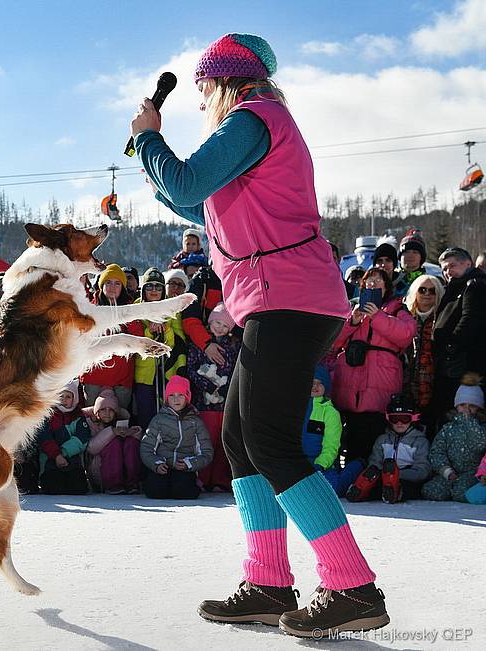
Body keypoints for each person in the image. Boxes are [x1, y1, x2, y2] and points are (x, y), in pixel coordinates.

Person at [134, 33, 388, 632]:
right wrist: (156, 164)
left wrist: (149, 137)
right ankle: (269, 582)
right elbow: (199, 203)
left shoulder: (254, 116)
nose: (200, 101)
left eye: (203, 89)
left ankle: (352, 586)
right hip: (278, 300)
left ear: (225, 82)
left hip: (289, 299)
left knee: (270, 443)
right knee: (242, 442)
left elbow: (188, 183)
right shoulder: (258, 125)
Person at [332, 267, 417, 463]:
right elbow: (334, 342)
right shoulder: (352, 308)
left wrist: (378, 316)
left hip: (380, 380)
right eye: (369, 281)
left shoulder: (397, 308)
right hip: (350, 381)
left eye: (378, 281)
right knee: (349, 435)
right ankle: (351, 480)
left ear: (387, 286)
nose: (373, 283)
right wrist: (352, 322)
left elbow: (406, 334)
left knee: (375, 433)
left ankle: (372, 479)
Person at [432, 247, 486, 431]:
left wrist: (450, 346)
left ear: (468, 263)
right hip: (452, 364)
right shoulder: (456, 287)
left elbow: (470, 320)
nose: (448, 272)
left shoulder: (474, 285)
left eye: (452, 266)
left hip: (462, 366)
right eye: (444, 269)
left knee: (461, 415)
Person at [186, 302, 238, 492]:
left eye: (225, 326)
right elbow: (192, 369)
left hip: (224, 402)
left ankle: (219, 478)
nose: (220, 328)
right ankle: (202, 476)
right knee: (205, 439)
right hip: (204, 401)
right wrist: (206, 386)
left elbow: (234, 370)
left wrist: (228, 389)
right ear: (210, 321)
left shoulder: (232, 346)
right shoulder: (199, 345)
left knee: (221, 440)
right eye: (217, 323)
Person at [345, 393, 429, 503]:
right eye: (395, 419)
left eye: (404, 418)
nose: (399, 423)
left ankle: (395, 493)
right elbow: (375, 462)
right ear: (388, 419)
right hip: (383, 477)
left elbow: (422, 470)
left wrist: (396, 474)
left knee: (411, 488)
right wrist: (379, 473)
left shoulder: (420, 441)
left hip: (407, 478)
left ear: (413, 419)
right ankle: (360, 491)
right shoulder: (383, 439)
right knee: (375, 484)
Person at [140, 376, 213, 499]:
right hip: (163, 466)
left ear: (187, 397)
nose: (176, 399)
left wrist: (190, 464)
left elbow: (206, 452)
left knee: (184, 492)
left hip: (184, 468)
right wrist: (156, 464)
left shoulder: (195, 422)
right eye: (172, 395)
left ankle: (190, 484)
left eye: (180, 395)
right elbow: (146, 447)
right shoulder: (159, 420)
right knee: (155, 490)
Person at [132, 267, 187, 430]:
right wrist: (150, 330)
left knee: (168, 416)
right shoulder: (135, 308)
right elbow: (135, 341)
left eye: (158, 286)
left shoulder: (172, 308)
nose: (154, 290)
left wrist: (166, 330)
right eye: (149, 286)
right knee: (145, 415)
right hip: (144, 372)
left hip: (167, 370)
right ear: (143, 289)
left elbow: (178, 340)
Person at [81, 264, 140, 409]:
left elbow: (138, 336)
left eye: (117, 283)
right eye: (108, 282)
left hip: (121, 379)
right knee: (92, 422)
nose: (113, 287)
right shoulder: (89, 308)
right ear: (101, 286)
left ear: (123, 287)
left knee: (120, 423)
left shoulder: (129, 309)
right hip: (93, 377)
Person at [421, 376, 486, 502]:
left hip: (473, 474)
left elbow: (480, 444)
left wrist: (470, 423)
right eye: (462, 405)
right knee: (430, 490)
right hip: (451, 472)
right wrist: (446, 471)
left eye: (472, 405)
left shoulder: (482, 427)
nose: (466, 409)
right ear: (456, 406)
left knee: (461, 492)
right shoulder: (448, 428)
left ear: (478, 408)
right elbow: (437, 451)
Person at [305, 365, 361, 496]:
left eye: (320, 383)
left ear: (326, 387)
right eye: (312, 382)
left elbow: (331, 445)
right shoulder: (297, 409)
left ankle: (356, 466)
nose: (315, 386)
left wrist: (320, 464)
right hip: (300, 462)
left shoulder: (330, 412)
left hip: (322, 464)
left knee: (331, 491)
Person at [402, 274, 445, 434]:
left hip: (433, 386)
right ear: (415, 291)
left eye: (432, 291)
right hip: (405, 384)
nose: (427, 294)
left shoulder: (442, 318)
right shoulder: (405, 317)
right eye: (422, 289)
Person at [35, 380, 91, 495]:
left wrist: (64, 452)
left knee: (78, 488)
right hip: (49, 460)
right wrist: (56, 455)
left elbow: (82, 438)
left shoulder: (78, 417)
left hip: (72, 460)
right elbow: (44, 438)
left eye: (68, 397)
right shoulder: (47, 416)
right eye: (61, 396)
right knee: (53, 487)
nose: (64, 400)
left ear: (74, 399)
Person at [84, 389, 143, 494]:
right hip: (100, 470)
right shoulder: (90, 424)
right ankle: (113, 483)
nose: (107, 413)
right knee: (114, 443)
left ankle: (132, 482)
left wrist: (131, 432)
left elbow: (139, 440)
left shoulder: (122, 422)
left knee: (131, 442)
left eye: (110, 410)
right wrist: (112, 432)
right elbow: (91, 448)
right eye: (103, 410)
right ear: (97, 411)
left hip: (123, 470)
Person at [395, 229, 427, 299]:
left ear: (421, 258)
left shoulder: (428, 283)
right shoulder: (390, 280)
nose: (410, 255)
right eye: (406, 252)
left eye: (415, 252)